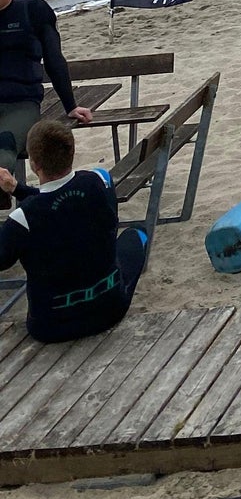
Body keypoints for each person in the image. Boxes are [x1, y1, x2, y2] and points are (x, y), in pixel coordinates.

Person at [0, 119, 148, 343]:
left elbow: (4, 258)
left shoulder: (22, 219)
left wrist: (18, 191)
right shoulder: (98, 183)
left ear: (33, 164)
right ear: (71, 152)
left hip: (49, 326)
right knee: (136, 234)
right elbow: (62, 203)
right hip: (109, 310)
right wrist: (19, 190)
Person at [0, 0, 92, 190]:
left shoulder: (34, 11)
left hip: (20, 103)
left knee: (3, 150)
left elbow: (54, 60)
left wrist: (70, 105)